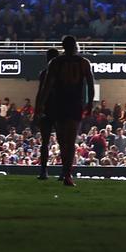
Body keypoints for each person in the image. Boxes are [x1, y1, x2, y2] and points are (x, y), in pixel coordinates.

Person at [37, 35, 95, 187]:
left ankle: (66, 172)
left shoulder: (56, 63)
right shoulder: (83, 62)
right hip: (75, 104)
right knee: (70, 141)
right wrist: (89, 104)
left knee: (63, 142)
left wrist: (41, 105)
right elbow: (90, 84)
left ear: (63, 47)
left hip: (60, 104)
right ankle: (67, 174)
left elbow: (46, 87)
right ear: (75, 46)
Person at [34, 48, 59, 180]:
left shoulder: (46, 73)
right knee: (61, 141)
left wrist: (38, 109)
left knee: (46, 142)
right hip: (56, 109)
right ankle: (62, 172)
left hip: (50, 109)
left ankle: (44, 171)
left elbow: (40, 92)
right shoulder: (48, 73)